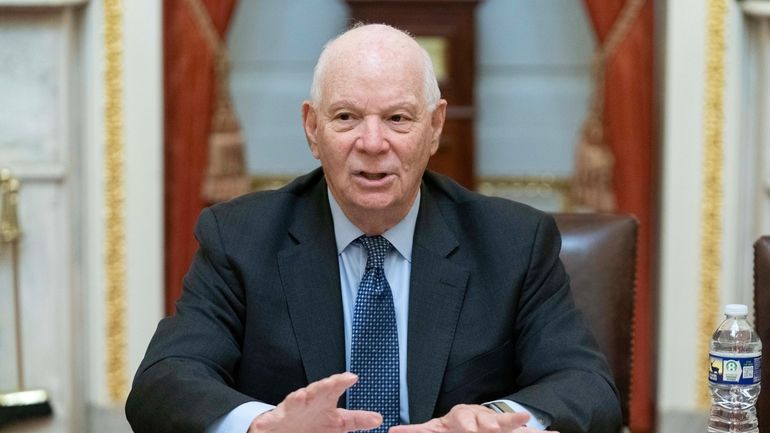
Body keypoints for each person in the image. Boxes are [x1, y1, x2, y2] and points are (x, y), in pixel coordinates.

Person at [125, 24, 621, 433]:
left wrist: (490, 421)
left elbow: (587, 385)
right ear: (312, 129)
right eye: (346, 117)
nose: (372, 142)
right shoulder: (239, 237)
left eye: (398, 118)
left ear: (435, 127)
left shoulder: (513, 242)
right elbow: (164, 382)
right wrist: (263, 426)